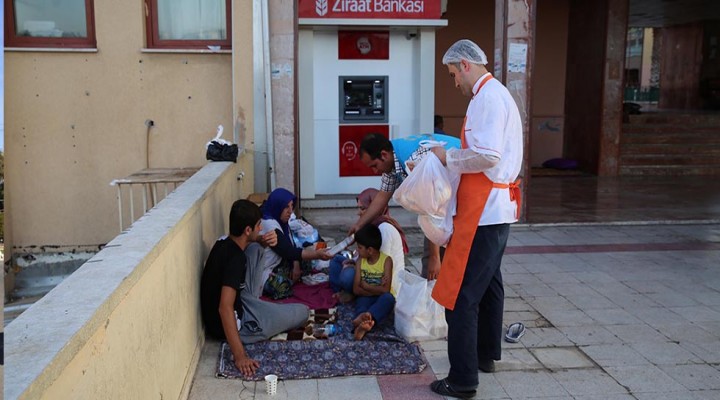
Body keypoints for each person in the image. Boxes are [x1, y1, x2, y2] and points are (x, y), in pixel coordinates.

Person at [427, 39, 523, 399]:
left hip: (484, 210)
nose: (455, 83)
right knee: (490, 284)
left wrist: (446, 156)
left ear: (466, 65)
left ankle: (463, 379)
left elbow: (486, 155)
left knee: (461, 296)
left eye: (453, 75)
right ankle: (485, 356)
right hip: (495, 209)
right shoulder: (495, 95)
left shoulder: (486, 98)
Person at [200, 199, 310, 377]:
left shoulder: (223, 243)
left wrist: (260, 240)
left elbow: (252, 245)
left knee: (256, 249)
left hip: (240, 300)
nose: (261, 229)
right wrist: (240, 356)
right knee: (302, 312)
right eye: (258, 225)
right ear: (247, 230)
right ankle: (257, 316)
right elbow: (225, 308)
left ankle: (256, 304)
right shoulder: (235, 260)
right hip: (235, 324)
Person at [352, 132, 460, 280]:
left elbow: (434, 211)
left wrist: (435, 257)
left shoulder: (414, 160)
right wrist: (359, 226)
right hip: (447, 201)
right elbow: (382, 197)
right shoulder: (392, 160)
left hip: (464, 195)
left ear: (383, 155)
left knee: (438, 265)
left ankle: (437, 297)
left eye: (374, 166)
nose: (375, 171)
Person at [329, 188, 408, 299]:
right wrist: (353, 261)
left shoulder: (384, 229)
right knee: (336, 260)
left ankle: (353, 293)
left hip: (380, 280)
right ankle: (344, 291)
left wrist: (355, 266)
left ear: (375, 209)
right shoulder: (373, 225)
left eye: (363, 208)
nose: (359, 213)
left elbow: (377, 266)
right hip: (368, 270)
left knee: (348, 275)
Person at [257, 188, 332, 299]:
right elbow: (288, 251)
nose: (290, 211)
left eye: (292, 206)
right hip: (264, 270)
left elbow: (291, 246)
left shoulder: (281, 222)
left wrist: (296, 264)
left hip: (279, 263)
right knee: (283, 287)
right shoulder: (269, 226)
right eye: (286, 207)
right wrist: (317, 254)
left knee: (306, 263)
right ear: (278, 206)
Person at [350, 224, 395, 340]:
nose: (357, 251)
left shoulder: (386, 261)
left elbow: (386, 290)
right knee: (361, 306)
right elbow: (356, 289)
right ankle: (364, 323)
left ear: (369, 250)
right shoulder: (360, 261)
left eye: (359, 247)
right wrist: (376, 289)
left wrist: (366, 286)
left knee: (388, 299)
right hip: (365, 297)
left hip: (379, 298)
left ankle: (364, 321)